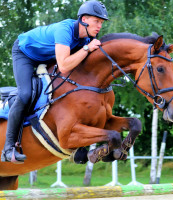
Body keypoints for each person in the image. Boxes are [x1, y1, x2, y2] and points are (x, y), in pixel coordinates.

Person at [1, 0, 108, 164]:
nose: (99, 26)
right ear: (84, 20)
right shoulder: (64, 30)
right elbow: (65, 65)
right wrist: (87, 49)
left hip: (48, 58)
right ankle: (8, 149)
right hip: (26, 54)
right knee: (25, 94)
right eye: (97, 21)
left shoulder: (85, 40)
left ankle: (79, 149)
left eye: (101, 22)